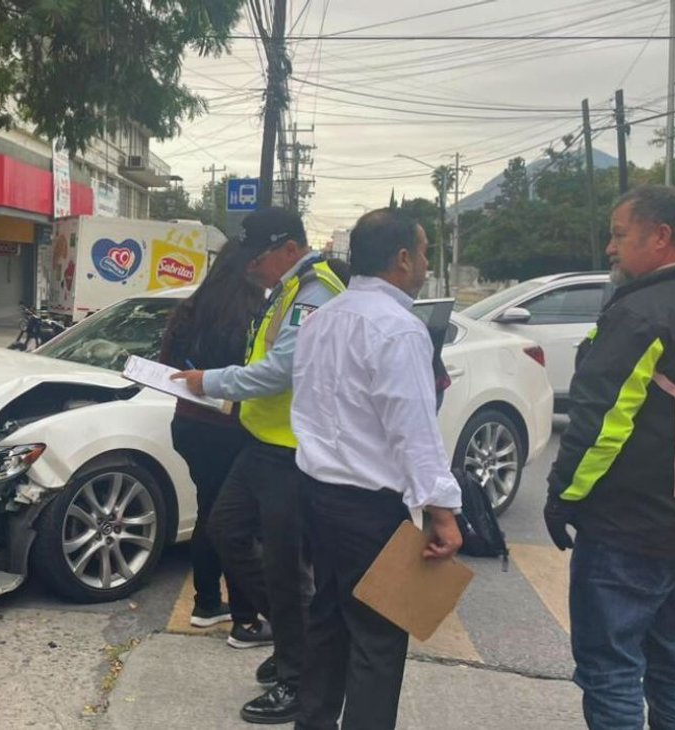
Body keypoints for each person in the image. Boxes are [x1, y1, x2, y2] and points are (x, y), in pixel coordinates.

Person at [543, 185, 675, 729]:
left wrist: (562, 496)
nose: (610, 248)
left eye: (618, 235)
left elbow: (599, 427)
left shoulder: (641, 315)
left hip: (631, 534)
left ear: (661, 236)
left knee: (612, 671)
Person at [289, 208, 463, 730]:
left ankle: (313, 721)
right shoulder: (399, 328)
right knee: (379, 640)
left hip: (316, 492)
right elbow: (412, 428)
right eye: (426, 251)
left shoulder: (322, 319)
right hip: (369, 506)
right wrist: (443, 511)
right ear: (402, 257)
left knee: (327, 623)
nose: (427, 263)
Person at [173, 207, 347, 724]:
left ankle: (300, 676)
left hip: (293, 451)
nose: (251, 265)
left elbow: (278, 372)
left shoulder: (316, 294)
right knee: (228, 531)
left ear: (290, 249)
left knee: (285, 567)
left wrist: (210, 382)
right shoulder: (290, 289)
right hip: (263, 441)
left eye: (260, 255)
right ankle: (299, 642)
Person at [158, 239, 267, 631]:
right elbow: (261, 374)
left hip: (188, 424)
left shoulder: (189, 309)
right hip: (232, 427)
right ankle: (245, 619)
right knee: (238, 523)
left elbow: (166, 363)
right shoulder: (256, 312)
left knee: (210, 511)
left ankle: (206, 603)